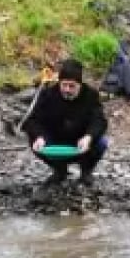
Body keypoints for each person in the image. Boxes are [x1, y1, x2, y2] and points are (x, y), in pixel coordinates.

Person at [22, 59, 109, 187]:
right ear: (59, 82)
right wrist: (39, 137)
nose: (67, 89)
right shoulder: (48, 94)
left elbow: (99, 121)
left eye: (72, 86)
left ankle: (86, 171)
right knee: (33, 140)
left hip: (81, 143)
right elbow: (31, 121)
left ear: (80, 84)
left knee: (101, 142)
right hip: (55, 142)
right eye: (64, 85)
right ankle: (60, 170)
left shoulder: (90, 95)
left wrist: (88, 137)